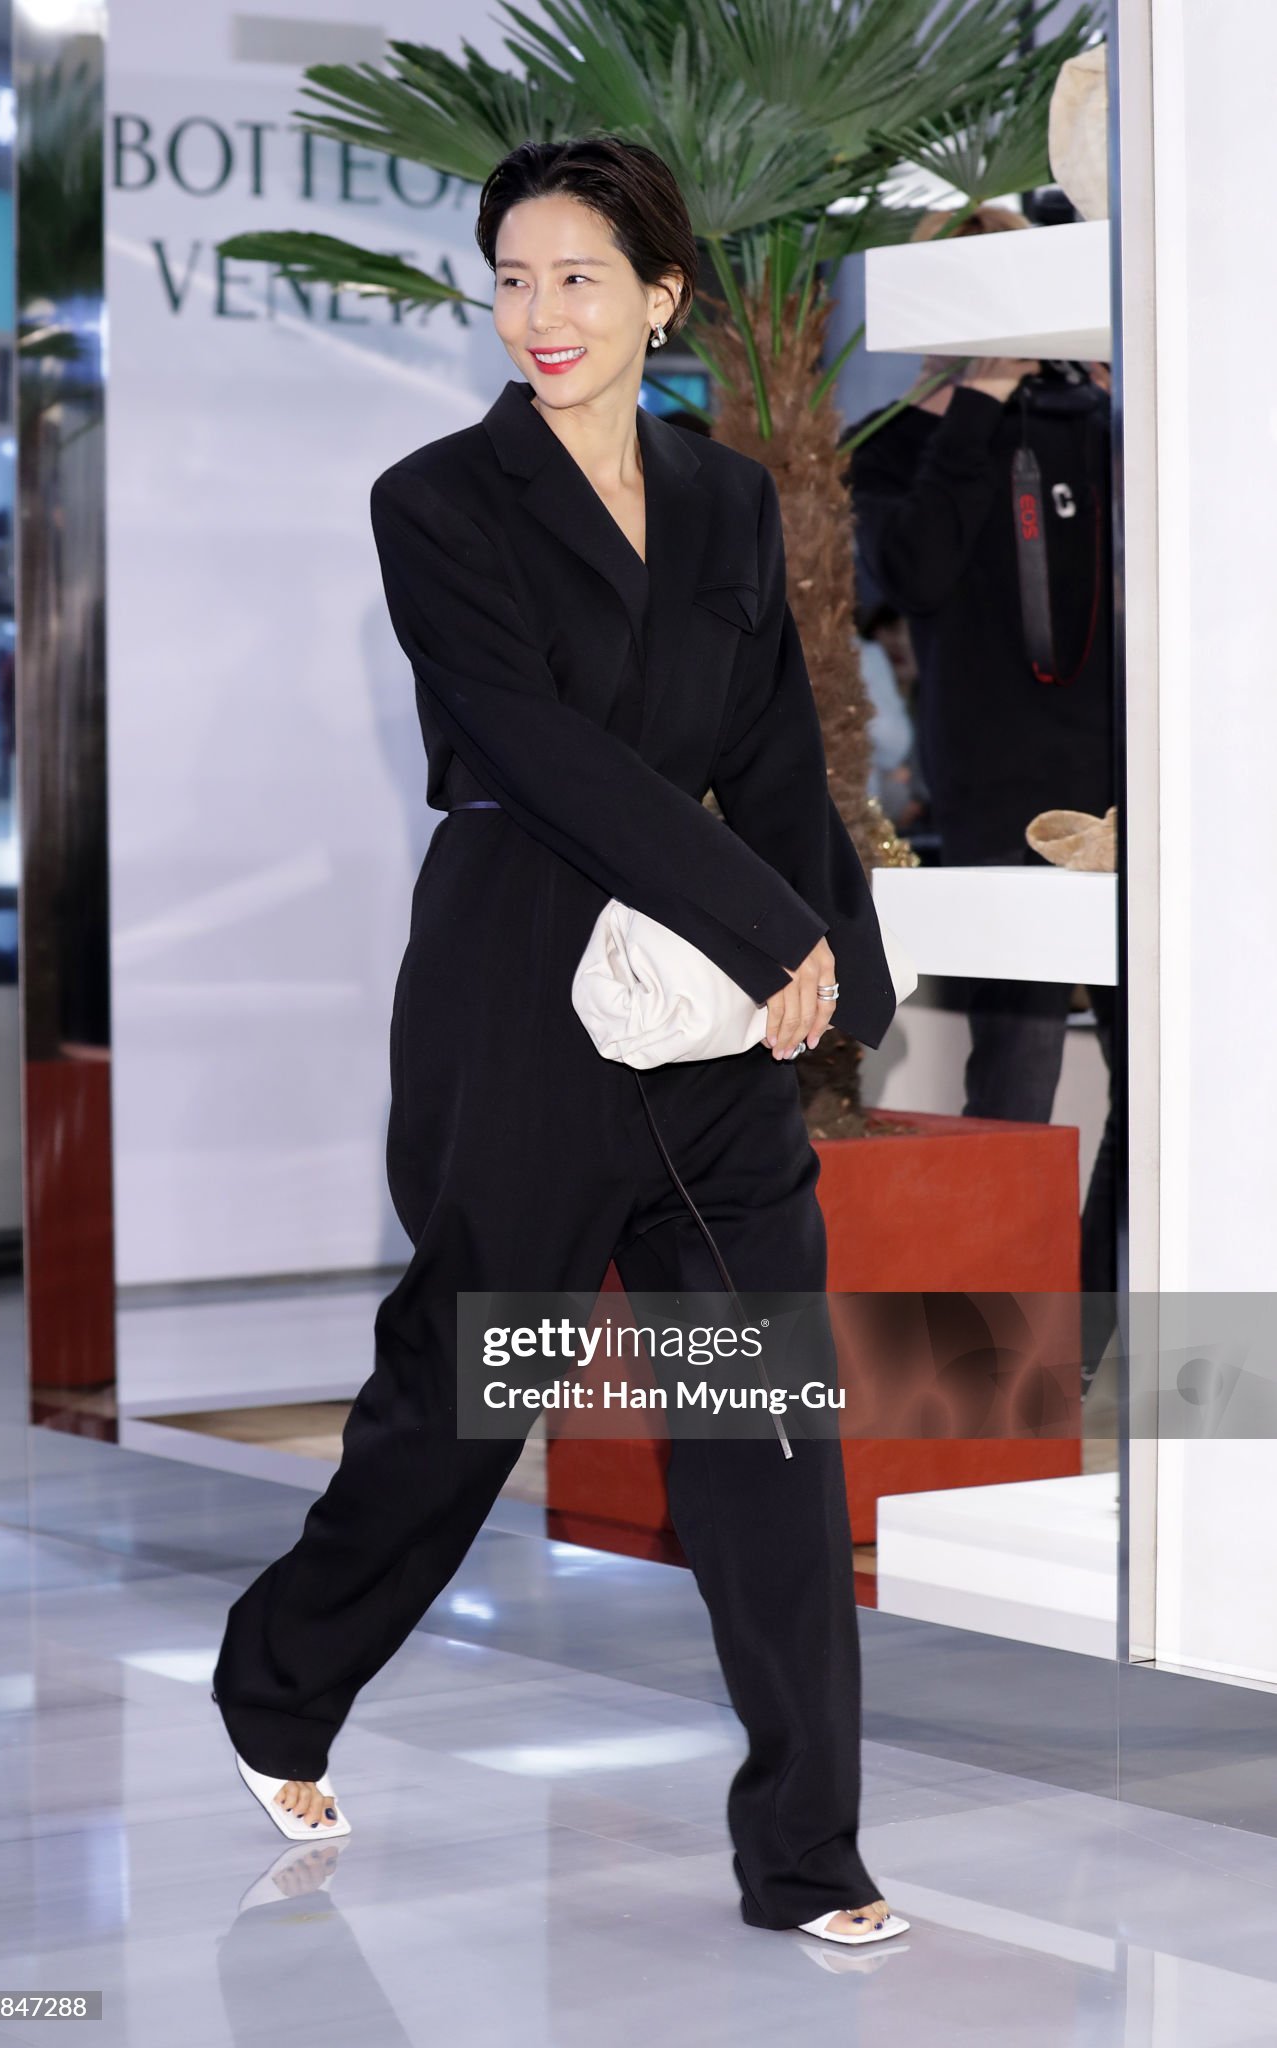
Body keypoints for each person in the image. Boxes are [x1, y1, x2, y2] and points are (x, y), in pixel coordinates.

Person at [213, 135, 908, 1949]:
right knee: (467, 1397)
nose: (540, 312)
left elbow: (774, 754)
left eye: (579, 277)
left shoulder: (730, 500)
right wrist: (763, 925)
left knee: (763, 1425)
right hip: (520, 984)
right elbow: (544, 752)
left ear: (660, 295)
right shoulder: (437, 501)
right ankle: (280, 1677)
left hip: (705, 1016)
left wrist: (837, 960)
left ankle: (808, 1854)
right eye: (514, 278)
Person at [848, 248, 1117, 1345]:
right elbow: (910, 573)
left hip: (1132, 788)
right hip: (1000, 793)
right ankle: (989, 1351)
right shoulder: (891, 444)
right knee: (1016, 1078)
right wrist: (979, 401)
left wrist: (1114, 402)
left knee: (1157, 1086)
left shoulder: (1098, 421)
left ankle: (1086, 1335)